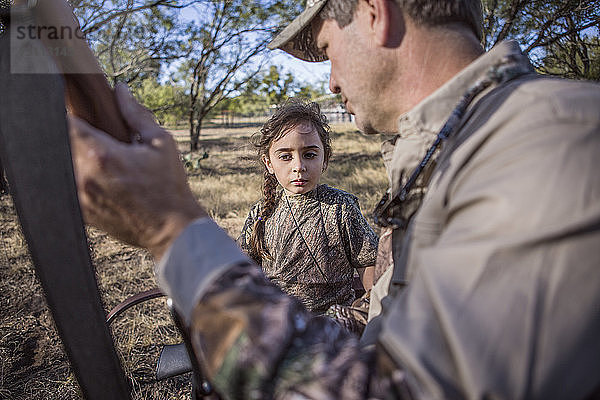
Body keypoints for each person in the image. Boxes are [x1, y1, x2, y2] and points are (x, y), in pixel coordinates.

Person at [68, 0, 600, 398]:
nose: (330, 77)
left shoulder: (554, 143)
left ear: (374, 13)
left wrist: (171, 230)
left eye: (325, 49)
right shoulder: (462, 152)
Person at [238, 98, 377, 318]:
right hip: (280, 326)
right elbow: (243, 274)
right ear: (269, 163)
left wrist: (373, 310)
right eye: (285, 157)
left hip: (335, 327)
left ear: (324, 159)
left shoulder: (341, 208)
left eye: (310, 155)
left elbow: (369, 264)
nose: (299, 167)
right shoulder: (260, 214)